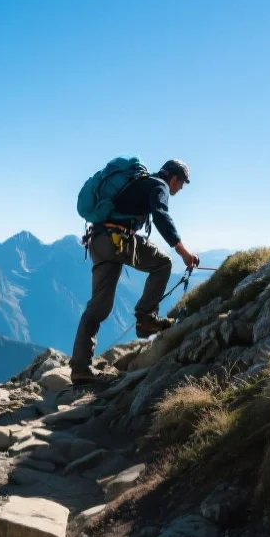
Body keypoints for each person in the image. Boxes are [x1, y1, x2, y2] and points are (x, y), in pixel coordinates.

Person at [70, 158, 199, 385]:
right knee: (163, 263)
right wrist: (183, 251)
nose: (180, 188)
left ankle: (81, 368)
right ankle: (146, 319)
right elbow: (161, 215)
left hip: (98, 240)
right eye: (182, 184)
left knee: (99, 306)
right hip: (119, 239)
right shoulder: (159, 186)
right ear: (174, 178)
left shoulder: (140, 183)